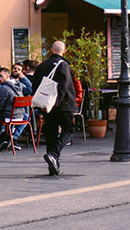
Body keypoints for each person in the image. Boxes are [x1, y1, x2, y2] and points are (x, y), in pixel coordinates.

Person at [32, 41, 77, 176]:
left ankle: (53, 164)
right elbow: (64, 86)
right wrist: (56, 102)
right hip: (63, 105)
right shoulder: (63, 65)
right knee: (68, 129)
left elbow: (34, 85)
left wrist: (42, 103)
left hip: (46, 106)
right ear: (64, 52)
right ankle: (54, 154)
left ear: (51, 50)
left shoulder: (41, 66)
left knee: (50, 132)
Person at [0, 67, 24, 151]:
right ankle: (7, 137)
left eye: (1, 76)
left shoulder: (4, 88)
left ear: (7, 76)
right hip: (20, 116)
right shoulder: (19, 86)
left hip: (8, 116)